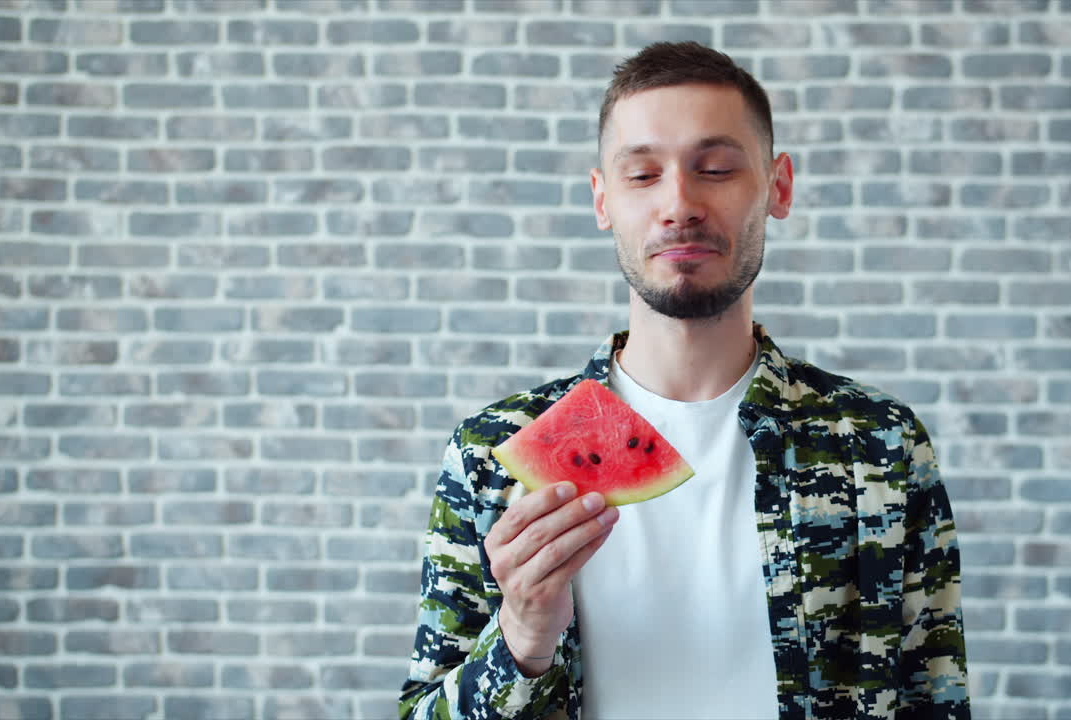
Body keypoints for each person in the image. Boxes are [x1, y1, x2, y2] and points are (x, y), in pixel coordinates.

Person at [400, 42, 970, 720]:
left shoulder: (880, 446)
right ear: (602, 199)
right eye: (642, 175)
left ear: (778, 186)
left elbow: (936, 701)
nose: (680, 203)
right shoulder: (492, 456)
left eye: (717, 168)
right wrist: (521, 641)